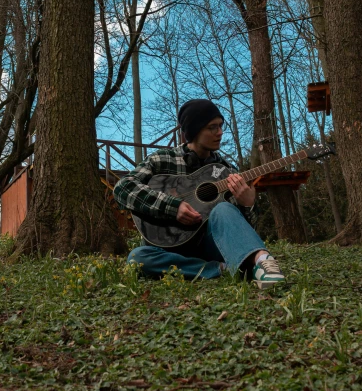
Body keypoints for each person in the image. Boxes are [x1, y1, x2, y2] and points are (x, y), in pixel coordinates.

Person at [113, 99, 285, 289]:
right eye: (212, 127)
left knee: (223, 208)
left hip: (211, 246)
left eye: (221, 126)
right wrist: (173, 207)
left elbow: (239, 232)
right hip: (169, 250)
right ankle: (220, 269)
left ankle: (263, 262)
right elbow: (123, 188)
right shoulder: (162, 160)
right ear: (193, 131)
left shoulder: (227, 171)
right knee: (138, 258)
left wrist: (247, 205)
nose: (220, 132)